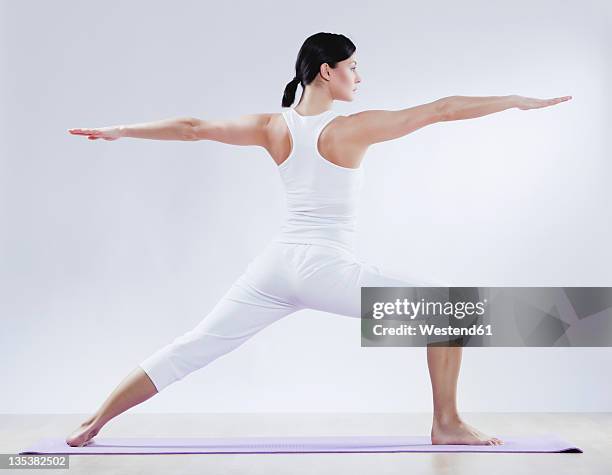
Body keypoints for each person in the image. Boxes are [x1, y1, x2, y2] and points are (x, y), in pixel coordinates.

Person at [65, 32, 571, 448]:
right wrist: (516, 102)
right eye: (353, 66)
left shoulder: (270, 126)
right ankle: (446, 424)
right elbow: (441, 108)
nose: (359, 76)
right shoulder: (352, 127)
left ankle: (94, 423)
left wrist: (122, 130)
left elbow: (195, 128)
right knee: (446, 309)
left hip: (276, 267)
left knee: (194, 346)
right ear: (327, 70)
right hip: (325, 269)